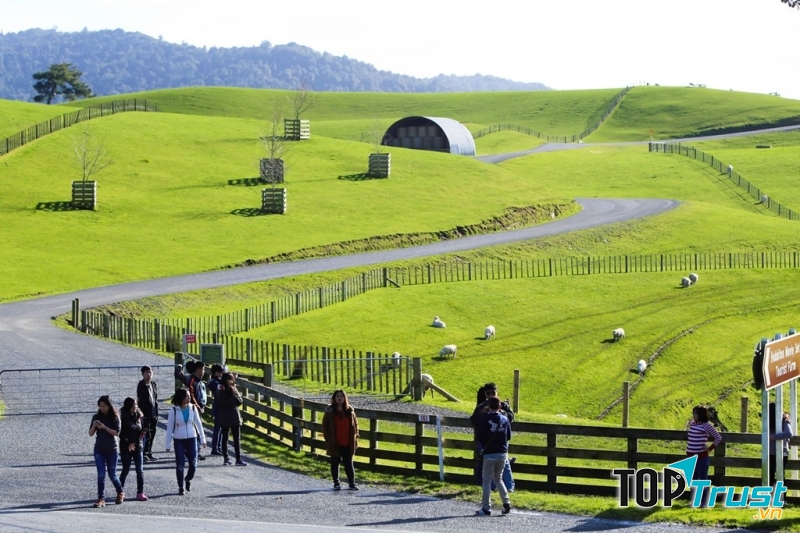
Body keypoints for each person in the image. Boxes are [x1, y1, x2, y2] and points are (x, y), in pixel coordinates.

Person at [470, 383, 515, 492]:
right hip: (486, 441)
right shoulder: (481, 406)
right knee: (486, 464)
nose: (490, 395)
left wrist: (501, 413)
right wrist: (482, 413)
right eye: (488, 393)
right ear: (485, 394)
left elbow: (511, 417)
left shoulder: (503, 405)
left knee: (505, 465)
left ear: (496, 392)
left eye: (493, 393)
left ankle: (509, 487)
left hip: (500, 440)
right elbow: (473, 420)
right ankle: (490, 487)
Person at [165, 388, 206, 495]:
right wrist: (167, 443)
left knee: (193, 463)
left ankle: (188, 478)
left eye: (189, 396)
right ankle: (180, 485)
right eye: (186, 396)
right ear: (181, 398)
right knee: (180, 464)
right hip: (179, 439)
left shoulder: (193, 408)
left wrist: (202, 438)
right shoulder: (173, 410)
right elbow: (169, 427)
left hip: (192, 438)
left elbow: (198, 423)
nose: (189, 398)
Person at [475, 396, 512, 516]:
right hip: (502, 453)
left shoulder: (485, 419)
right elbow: (509, 436)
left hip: (489, 453)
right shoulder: (505, 419)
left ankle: (486, 508)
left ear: (488, 406)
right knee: (498, 478)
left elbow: (479, 436)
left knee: (486, 480)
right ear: (500, 406)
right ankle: (506, 502)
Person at [88, 395, 124, 508]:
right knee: (101, 474)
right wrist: (94, 426)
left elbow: (117, 433)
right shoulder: (96, 416)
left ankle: (120, 491)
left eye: (104, 406)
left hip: (112, 449)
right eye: (100, 406)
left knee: (112, 474)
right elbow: (90, 433)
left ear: (109, 406)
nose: (102, 408)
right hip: (99, 448)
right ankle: (101, 498)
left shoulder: (115, 417)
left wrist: (105, 428)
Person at [322, 389, 359, 490]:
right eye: (337, 396)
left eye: (341, 396)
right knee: (335, 462)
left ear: (344, 398)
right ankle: (336, 482)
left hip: (348, 442)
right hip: (335, 442)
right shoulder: (330, 411)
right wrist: (328, 438)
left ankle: (352, 483)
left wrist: (356, 435)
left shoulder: (350, 411)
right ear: (334, 398)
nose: (339, 398)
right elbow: (325, 426)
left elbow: (355, 424)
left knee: (349, 463)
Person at [686, 405, 722, 507]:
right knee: (692, 479)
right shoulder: (692, 424)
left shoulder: (706, 425)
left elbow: (718, 437)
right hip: (690, 456)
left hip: (701, 457)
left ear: (701, 414)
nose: (694, 415)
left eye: (696, 413)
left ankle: (704, 502)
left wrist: (709, 449)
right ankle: (694, 501)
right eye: (693, 413)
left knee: (702, 479)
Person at [119, 397, 147, 501]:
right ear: (128, 406)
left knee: (140, 470)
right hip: (126, 447)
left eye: (136, 405)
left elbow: (141, 428)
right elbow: (120, 433)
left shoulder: (139, 416)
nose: (135, 407)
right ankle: (120, 491)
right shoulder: (122, 417)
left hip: (138, 446)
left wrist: (143, 433)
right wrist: (128, 444)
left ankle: (140, 493)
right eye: (133, 405)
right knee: (125, 470)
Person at [217, 372, 246, 466]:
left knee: (225, 437)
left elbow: (218, 402)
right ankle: (238, 459)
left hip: (223, 415)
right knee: (236, 438)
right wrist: (235, 389)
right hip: (233, 415)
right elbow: (240, 401)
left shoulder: (219, 389)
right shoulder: (232, 390)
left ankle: (226, 458)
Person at [768, 402, 793, 488]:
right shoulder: (769, 421)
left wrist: (773, 437)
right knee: (771, 475)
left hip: (781, 452)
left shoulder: (784, 421)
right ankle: (772, 496)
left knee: (779, 475)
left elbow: (789, 433)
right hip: (771, 452)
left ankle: (782, 497)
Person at [137, 365, 159, 462]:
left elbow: (155, 400)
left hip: (153, 414)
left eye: (150, 372)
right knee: (146, 434)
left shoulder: (153, 384)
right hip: (145, 414)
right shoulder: (141, 385)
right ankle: (144, 453)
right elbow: (141, 401)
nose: (149, 374)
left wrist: (156, 413)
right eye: (146, 372)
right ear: (143, 374)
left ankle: (149, 453)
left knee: (152, 433)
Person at [186, 360, 207, 461]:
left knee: (198, 430)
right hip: (193, 409)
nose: (203, 371)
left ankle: (196, 451)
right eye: (202, 369)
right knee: (193, 430)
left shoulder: (198, 380)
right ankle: (190, 452)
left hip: (198, 408)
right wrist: (197, 406)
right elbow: (191, 394)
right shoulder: (192, 380)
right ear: (197, 370)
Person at [207, 364, 225, 456]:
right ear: (216, 372)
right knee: (217, 428)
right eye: (221, 371)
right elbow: (219, 387)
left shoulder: (218, 380)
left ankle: (219, 446)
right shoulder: (213, 381)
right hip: (218, 406)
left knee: (221, 428)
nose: (222, 373)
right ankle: (215, 448)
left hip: (222, 406)